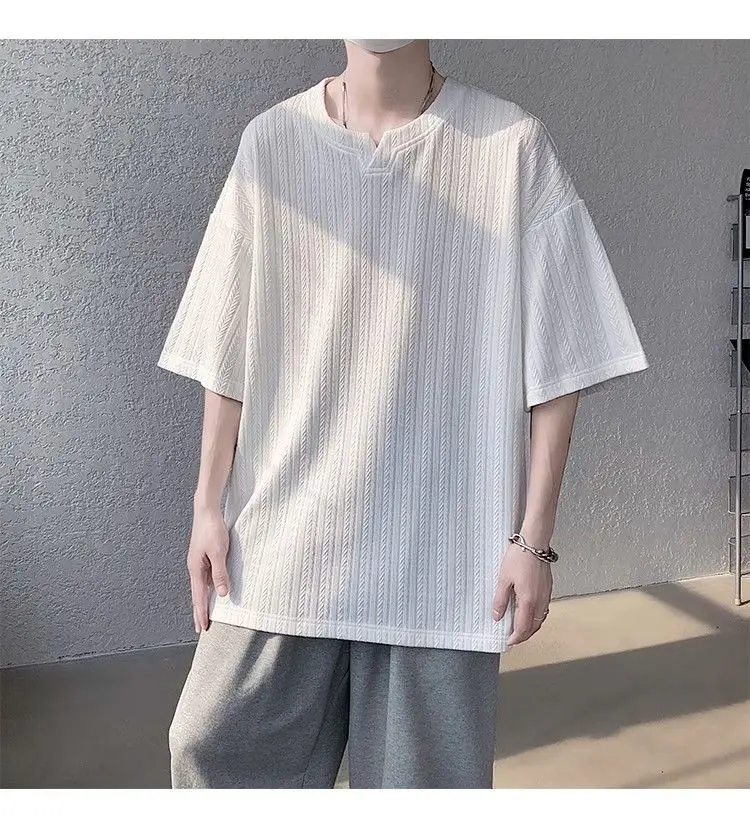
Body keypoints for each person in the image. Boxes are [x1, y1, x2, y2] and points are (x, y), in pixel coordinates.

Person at [156, 39, 649, 789]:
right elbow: (227, 342)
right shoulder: (274, 142)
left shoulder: (511, 146)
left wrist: (534, 539)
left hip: (441, 556)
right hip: (289, 537)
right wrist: (206, 505)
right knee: (211, 748)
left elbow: (564, 358)